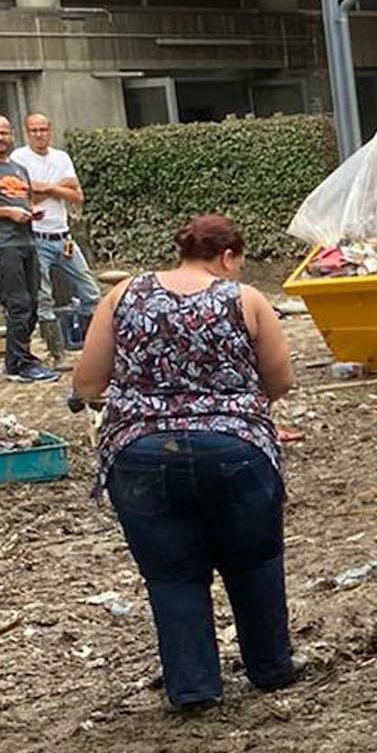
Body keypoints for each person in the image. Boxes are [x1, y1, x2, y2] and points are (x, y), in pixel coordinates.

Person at [72, 215, 297, 710]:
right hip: (235, 449)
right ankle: (271, 667)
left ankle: (193, 686)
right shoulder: (246, 300)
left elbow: (87, 382)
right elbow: (279, 380)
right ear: (228, 258)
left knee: (172, 574)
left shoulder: (123, 295)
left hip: (141, 452)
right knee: (254, 560)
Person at [11, 112, 102, 364]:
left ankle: (90, 346)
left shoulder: (61, 157)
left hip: (64, 236)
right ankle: (57, 354)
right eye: (34, 130)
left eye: (43, 129)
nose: (40, 135)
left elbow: (77, 196)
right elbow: (25, 199)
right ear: (27, 133)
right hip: (36, 236)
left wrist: (46, 187)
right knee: (44, 297)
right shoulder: (19, 158)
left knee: (90, 291)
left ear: (50, 130)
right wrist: (60, 186)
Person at [0, 117, 55, 383]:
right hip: (4, 245)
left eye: (6, 132)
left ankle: (19, 358)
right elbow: (9, 207)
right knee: (18, 304)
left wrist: (32, 211)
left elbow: (26, 198)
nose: (2, 137)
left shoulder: (19, 168)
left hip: (27, 241)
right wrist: (7, 212)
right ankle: (18, 366)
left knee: (32, 304)